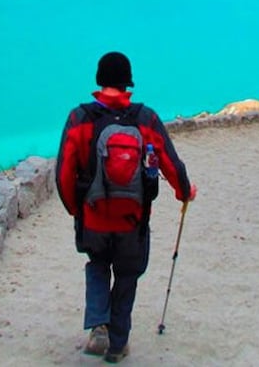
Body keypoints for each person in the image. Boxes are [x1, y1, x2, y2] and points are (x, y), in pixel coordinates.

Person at [56, 51, 196, 363]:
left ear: (99, 80)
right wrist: (184, 192)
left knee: (97, 265)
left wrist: (74, 209)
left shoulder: (80, 119)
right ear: (128, 83)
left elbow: (64, 171)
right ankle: (118, 345)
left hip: (93, 218)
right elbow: (171, 162)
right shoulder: (145, 119)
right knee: (127, 276)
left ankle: (98, 329)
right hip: (133, 220)